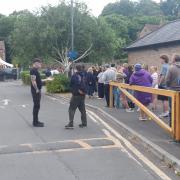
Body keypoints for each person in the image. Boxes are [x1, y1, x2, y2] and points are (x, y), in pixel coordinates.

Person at [65, 65, 87, 129]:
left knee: (71, 109)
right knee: (82, 110)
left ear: (76, 69)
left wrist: (75, 90)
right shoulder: (84, 75)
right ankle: (84, 123)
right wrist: (84, 92)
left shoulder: (75, 76)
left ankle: (71, 123)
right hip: (83, 95)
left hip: (76, 95)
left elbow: (72, 84)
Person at [166, 54, 180, 126]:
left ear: (174, 59)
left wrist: (168, 87)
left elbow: (167, 80)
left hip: (173, 91)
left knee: (172, 108)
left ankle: (172, 126)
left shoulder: (171, 68)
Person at [30, 58, 44, 127]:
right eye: (40, 63)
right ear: (36, 63)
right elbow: (33, 81)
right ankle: (35, 122)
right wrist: (37, 89)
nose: (41, 65)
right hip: (36, 91)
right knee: (36, 106)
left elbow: (37, 80)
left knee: (37, 106)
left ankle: (36, 121)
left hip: (37, 90)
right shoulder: (33, 70)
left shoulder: (35, 70)